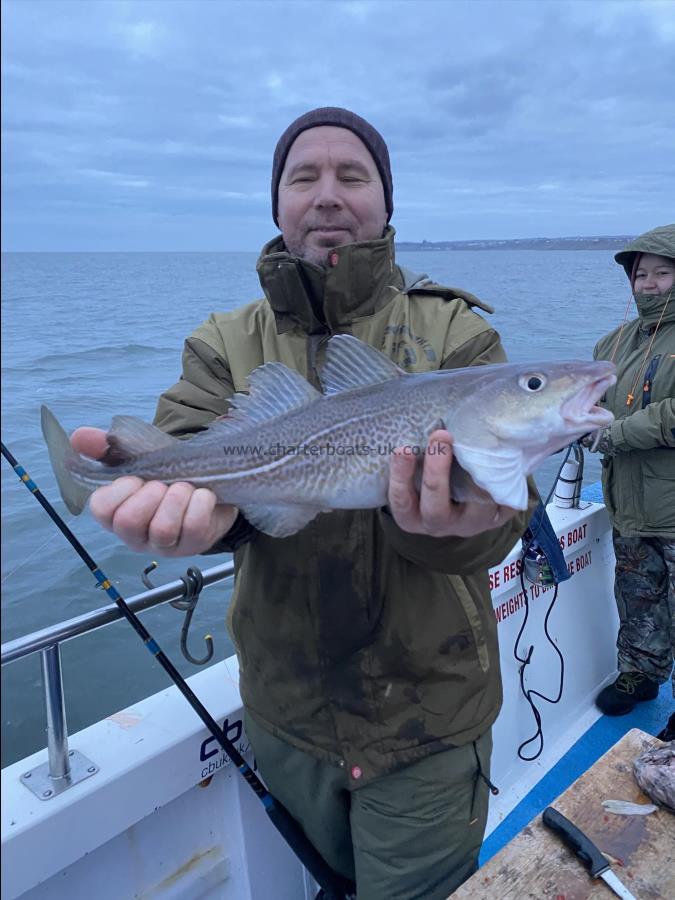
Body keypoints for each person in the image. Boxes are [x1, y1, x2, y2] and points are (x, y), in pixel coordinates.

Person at [71, 108, 538, 899]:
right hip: (283, 709)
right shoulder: (223, 342)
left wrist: (457, 530)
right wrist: (202, 521)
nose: (328, 195)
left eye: (352, 176)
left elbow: (503, 515)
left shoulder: (454, 334)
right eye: (303, 177)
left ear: (387, 202)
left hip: (426, 711)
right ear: (276, 203)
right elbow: (184, 442)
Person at [582, 225, 674, 731]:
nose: (650, 284)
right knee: (638, 598)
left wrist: (616, 432)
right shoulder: (612, 341)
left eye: (663, 273)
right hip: (630, 505)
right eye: (642, 275)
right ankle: (640, 673)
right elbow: (588, 400)